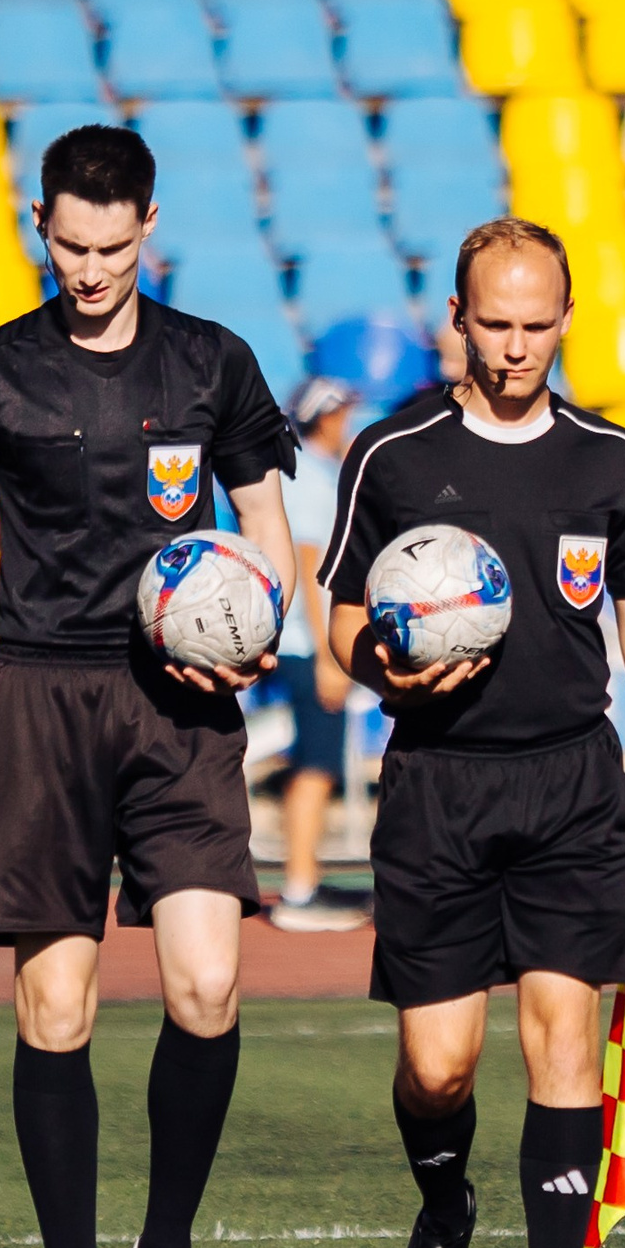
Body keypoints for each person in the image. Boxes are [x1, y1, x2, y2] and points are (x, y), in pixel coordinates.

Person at [0, 125, 298, 1248]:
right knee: (58, 1007)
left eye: (111, 246)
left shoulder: (210, 362)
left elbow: (269, 525)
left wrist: (254, 632)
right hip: (40, 699)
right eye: (69, 245)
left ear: (148, 230)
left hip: (180, 707)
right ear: (42, 226)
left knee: (204, 988)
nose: (89, 269)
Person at [322, 218, 625, 1248]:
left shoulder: (608, 460)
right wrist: (388, 666)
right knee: (437, 1068)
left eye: (537, 326)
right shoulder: (391, 454)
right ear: (457, 322)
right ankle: (442, 1213)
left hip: (574, 784)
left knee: (564, 1041)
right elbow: (338, 621)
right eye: (496, 325)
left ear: (564, 322)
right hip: (437, 782)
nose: (517, 347)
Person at [268, 376, 370, 932]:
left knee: (317, 762)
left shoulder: (316, 471)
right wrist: (333, 656)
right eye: (342, 414)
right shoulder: (307, 474)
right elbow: (310, 567)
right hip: (309, 644)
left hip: (308, 643)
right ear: (323, 418)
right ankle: (299, 890)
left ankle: (304, 880)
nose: (348, 424)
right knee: (315, 765)